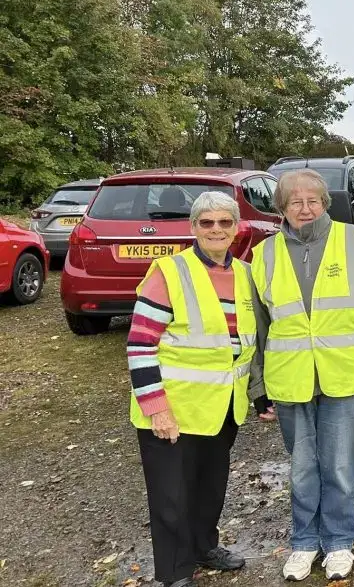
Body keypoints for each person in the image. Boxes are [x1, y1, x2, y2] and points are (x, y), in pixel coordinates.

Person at [247, 169, 354, 582]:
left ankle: (337, 542)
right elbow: (258, 326)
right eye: (294, 201)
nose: (304, 208)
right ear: (281, 208)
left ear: (325, 203)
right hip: (291, 379)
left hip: (347, 378)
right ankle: (303, 543)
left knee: (338, 466)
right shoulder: (262, 255)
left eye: (312, 200)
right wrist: (258, 384)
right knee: (301, 468)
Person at [126, 191, 254, 587]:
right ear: (193, 228)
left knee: (209, 487)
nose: (216, 230)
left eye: (224, 222)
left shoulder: (246, 274)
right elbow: (141, 343)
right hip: (174, 409)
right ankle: (176, 570)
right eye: (206, 223)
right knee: (171, 496)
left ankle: (204, 546)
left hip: (222, 406)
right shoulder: (169, 271)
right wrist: (157, 408)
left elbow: (248, 341)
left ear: (236, 227)